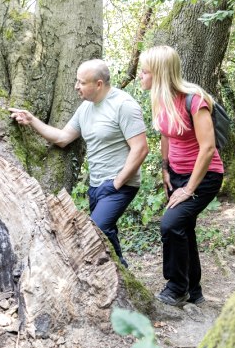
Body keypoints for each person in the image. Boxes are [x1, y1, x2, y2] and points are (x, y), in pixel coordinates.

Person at [9, 59, 149, 267]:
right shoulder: (86, 108)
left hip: (120, 185)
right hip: (96, 186)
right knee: (105, 232)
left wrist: (117, 183)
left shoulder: (123, 105)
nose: (76, 86)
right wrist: (32, 121)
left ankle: (121, 274)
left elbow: (141, 148)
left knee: (96, 230)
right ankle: (122, 273)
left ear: (99, 84)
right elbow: (63, 137)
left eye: (82, 82)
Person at [139, 45, 224, 306]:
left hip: (204, 176)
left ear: (160, 73)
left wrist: (188, 189)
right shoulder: (160, 99)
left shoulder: (195, 100)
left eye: (145, 72)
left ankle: (176, 288)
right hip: (176, 175)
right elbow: (166, 134)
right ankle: (194, 291)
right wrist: (165, 169)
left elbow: (208, 148)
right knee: (184, 228)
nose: (140, 76)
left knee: (171, 224)